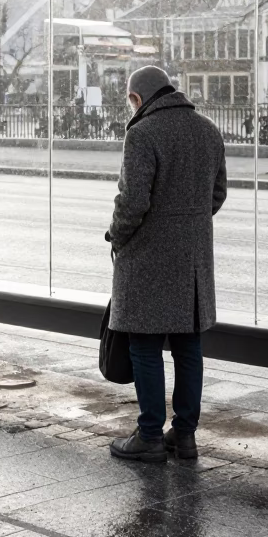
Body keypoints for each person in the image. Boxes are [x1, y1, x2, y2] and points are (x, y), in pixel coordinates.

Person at [105, 65, 227, 463]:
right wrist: (187, 224)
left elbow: (132, 202)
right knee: (189, 347)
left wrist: (117, 236)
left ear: (138, 98)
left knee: (144, 346)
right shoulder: (207, 129)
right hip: (192, 261)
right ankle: (185, 436)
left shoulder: (142, 134)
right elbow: (218, 194)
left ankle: (150, 435)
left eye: (130, 101)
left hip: (148, 259)